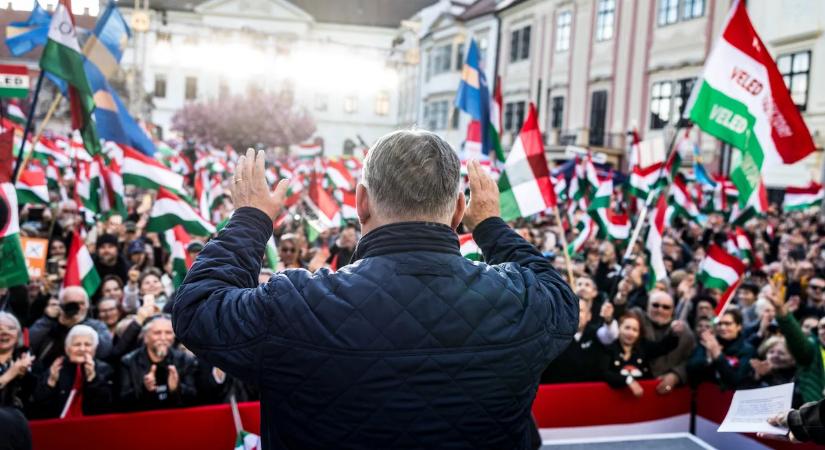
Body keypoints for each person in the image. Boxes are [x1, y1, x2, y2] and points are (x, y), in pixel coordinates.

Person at [173, 136, 578, 449]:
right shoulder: (523, 301)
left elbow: (198, 309)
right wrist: (490, 223)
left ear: (361, 202)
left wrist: (251, 218)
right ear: (459, 210)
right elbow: (561, 297)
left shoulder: (298, 304)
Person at [29, 325, 114, 418]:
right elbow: (39, 408)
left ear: (95, 349)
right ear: (67, 349)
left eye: (88, 345)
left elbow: (105, 407)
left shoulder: (105, 369)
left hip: (91, 425)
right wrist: (51, 382)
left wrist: (93, 379)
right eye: (77, 344)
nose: (82, 349)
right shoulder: (56, 367)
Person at [119, 315, 197, 411]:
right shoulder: (128, 362)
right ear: (145, 337)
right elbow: (122, 403)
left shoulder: (185, 360)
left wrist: (176, 388)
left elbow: (195, 398)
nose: (163, 338)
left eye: (168, 333)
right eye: (157, 333)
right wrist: (145, 389)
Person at [598, 312, 682, 397]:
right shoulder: (609, 349)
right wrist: (628, 380)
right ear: (619, 328)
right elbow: (605, 373)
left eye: (635, 330)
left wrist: (674, 332)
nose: (630, 333)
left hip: (643, 398)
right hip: (615, 399)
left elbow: (663, 347)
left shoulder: (643, 346)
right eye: (627, 328)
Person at [29, 287, 112, 367]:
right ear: (61, 306)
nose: (78, 308)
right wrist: (47, 319)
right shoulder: (49, 323)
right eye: (72, 304)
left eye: (81, 303)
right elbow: (30, 342)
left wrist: (80, 325)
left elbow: (105, 351)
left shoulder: (96, 326)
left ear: (87, 306)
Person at [687, 309, 755, 390]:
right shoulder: (708, 342)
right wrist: (708, 359)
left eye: (727, 324)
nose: (722, 327)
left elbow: (736, 380)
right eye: (719, 324)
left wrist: (718, 355)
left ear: (739, 326)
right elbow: (691, 367)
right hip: (706, 394)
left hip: (732, 397)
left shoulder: (747, 350)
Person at [0, 313, 35, 410]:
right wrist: (11, 373)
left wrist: (25, 375)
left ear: (19, 335)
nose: (4, 332)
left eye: (10, 328)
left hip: (19, 420)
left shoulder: (28, 359)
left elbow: (38, 397)